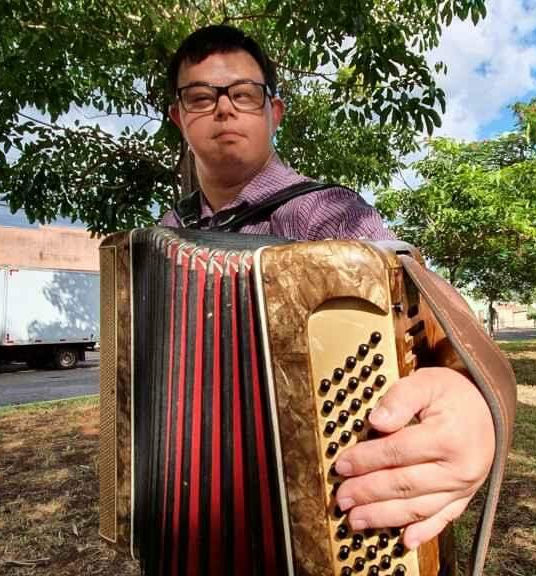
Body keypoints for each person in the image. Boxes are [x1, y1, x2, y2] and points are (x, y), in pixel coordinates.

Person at [160, 25, 499, 552]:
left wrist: (474, 399)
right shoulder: (164, 236)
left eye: (244, 94)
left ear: (274, 113)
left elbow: (437, 311)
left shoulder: (325, 212)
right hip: (189, 529)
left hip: (329, 520)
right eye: (201, 97)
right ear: (180, 118)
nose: (223, 109)